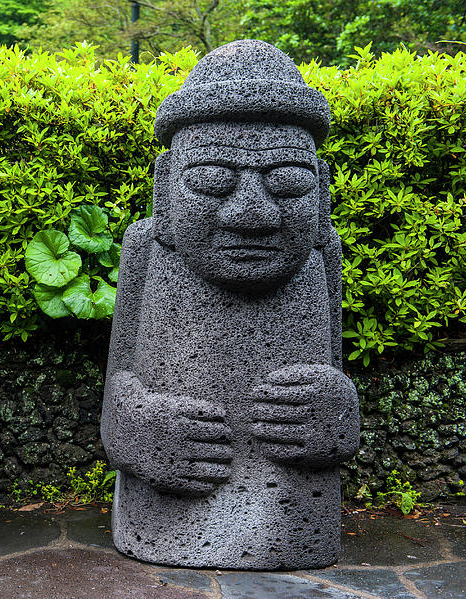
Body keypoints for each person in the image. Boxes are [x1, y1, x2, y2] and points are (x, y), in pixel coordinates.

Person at [102, 40, 359, 569]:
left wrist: (334, 412)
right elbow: (119, 384)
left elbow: (333, 367)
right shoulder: (149, 247)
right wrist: (138, 428)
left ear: (323, 192)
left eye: (288, 184)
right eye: (211, 183)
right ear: (166, 189)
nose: (250, 215)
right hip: (163, 517)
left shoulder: (321, 252)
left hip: (290, 516)